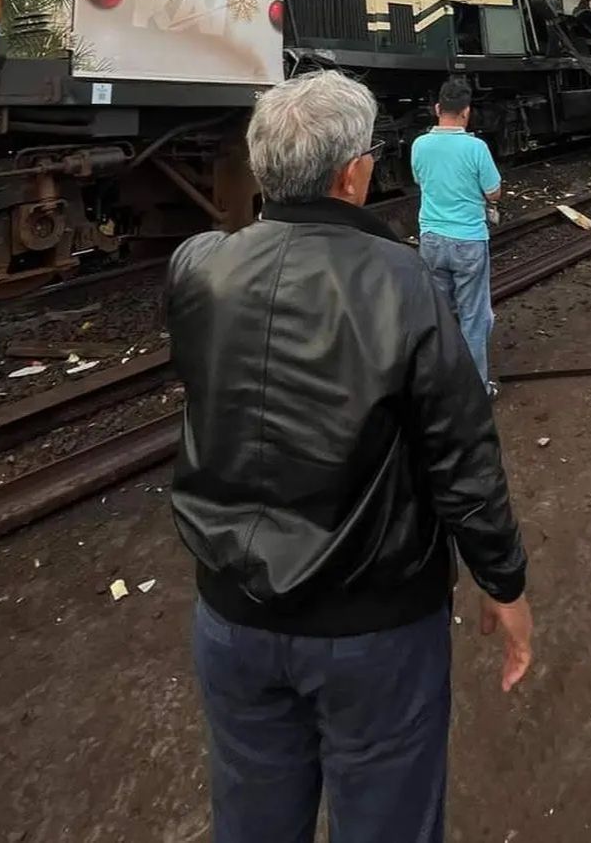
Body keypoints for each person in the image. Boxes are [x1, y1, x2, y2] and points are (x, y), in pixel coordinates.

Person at [167, 71, 532, 843]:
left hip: (230, 615)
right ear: (351, 172)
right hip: (373, 624)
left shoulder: (198, 268)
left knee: (252, 818)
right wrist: (503, 582)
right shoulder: (403, 282)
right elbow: (462, 456)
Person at [411, 77, 502, 394]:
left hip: (432, 240)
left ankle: (442, 385)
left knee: (440, 315)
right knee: (474, 318)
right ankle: (476, 391)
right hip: (468, 241)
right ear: (466, 112)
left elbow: (421, 181)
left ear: (438, 108)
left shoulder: (419, 145)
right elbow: (493, 193)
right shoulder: (476, 148)